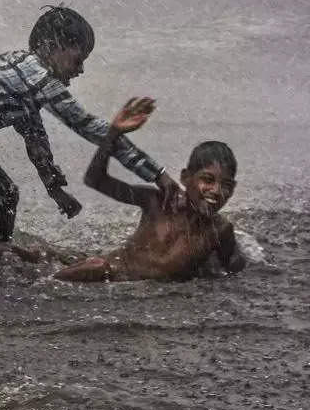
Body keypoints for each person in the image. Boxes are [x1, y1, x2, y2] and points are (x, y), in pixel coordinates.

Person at [0, 5, 181, 269]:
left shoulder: (22, 72)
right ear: (52, 47)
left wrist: (55, 190)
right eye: (78, 59)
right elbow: (89, 126)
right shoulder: (39, 78)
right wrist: (159, 174)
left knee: (1, 195)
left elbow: (35, 137)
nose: (80, 70)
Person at [54, 98, 242, 282]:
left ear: (233, 189)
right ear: (186, 178)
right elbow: (95, 180)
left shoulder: (220, 230)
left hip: (136, 292)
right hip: (108, 273)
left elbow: (229, 272)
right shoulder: (157, 202)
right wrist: (113, 133)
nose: (216, 191)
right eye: (207, 180)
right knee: (67, 264)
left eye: (226, 185)